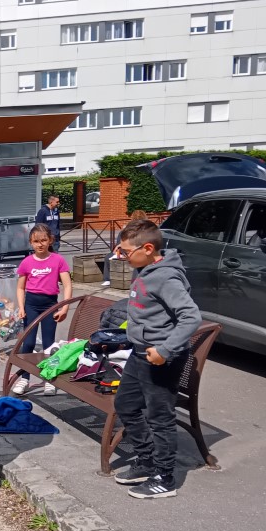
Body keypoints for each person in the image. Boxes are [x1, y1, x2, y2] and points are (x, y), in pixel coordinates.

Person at [112, 219, 201, 500]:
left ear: (148, 248)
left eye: (126, 251)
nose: (121, 256)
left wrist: (164, 350)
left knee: (160, 418)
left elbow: (191, 317)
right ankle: (147, 460)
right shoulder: (143, 268)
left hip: (160, 358)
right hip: (139, 354)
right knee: (125, 405)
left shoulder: (166, 278)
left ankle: (165, 478)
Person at [12, 223, 72, 396]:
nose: (40, 244)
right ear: (31, 242)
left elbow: (67, 285)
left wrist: (65, 307)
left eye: (44, 240)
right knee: (28, 342)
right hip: (31, 305)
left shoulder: (58, 260)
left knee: (49, 343)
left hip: (50, 305)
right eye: (36, 241)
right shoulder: (27, 262)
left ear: (50, 240)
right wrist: (21, 307)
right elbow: (20, 287)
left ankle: (48, 378)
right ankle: (24, 378)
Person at [102, 210, 147, 287]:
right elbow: (119, 243)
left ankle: (107, 279)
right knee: (108, 257)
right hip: (125, 252)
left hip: (135, 252)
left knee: (108, 257)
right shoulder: (128, 230)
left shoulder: (144, 229)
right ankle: (107, 279)